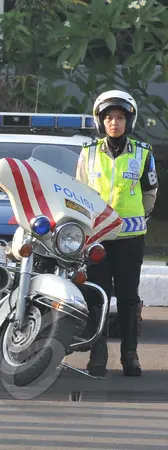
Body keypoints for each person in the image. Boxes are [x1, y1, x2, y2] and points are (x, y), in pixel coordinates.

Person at [77, 89, 158, 378]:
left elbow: (150, 192)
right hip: (97, 239)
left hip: (130, 240)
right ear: (100, 121)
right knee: (97, 296)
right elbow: (79, 192)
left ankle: (130, 355)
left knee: (127, 298)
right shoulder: (87, 155)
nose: (114, 123)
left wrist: (137, 220)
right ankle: (98, 355)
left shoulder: (143, 153)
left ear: (129, 121)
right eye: (109, 117)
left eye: (120, 118)